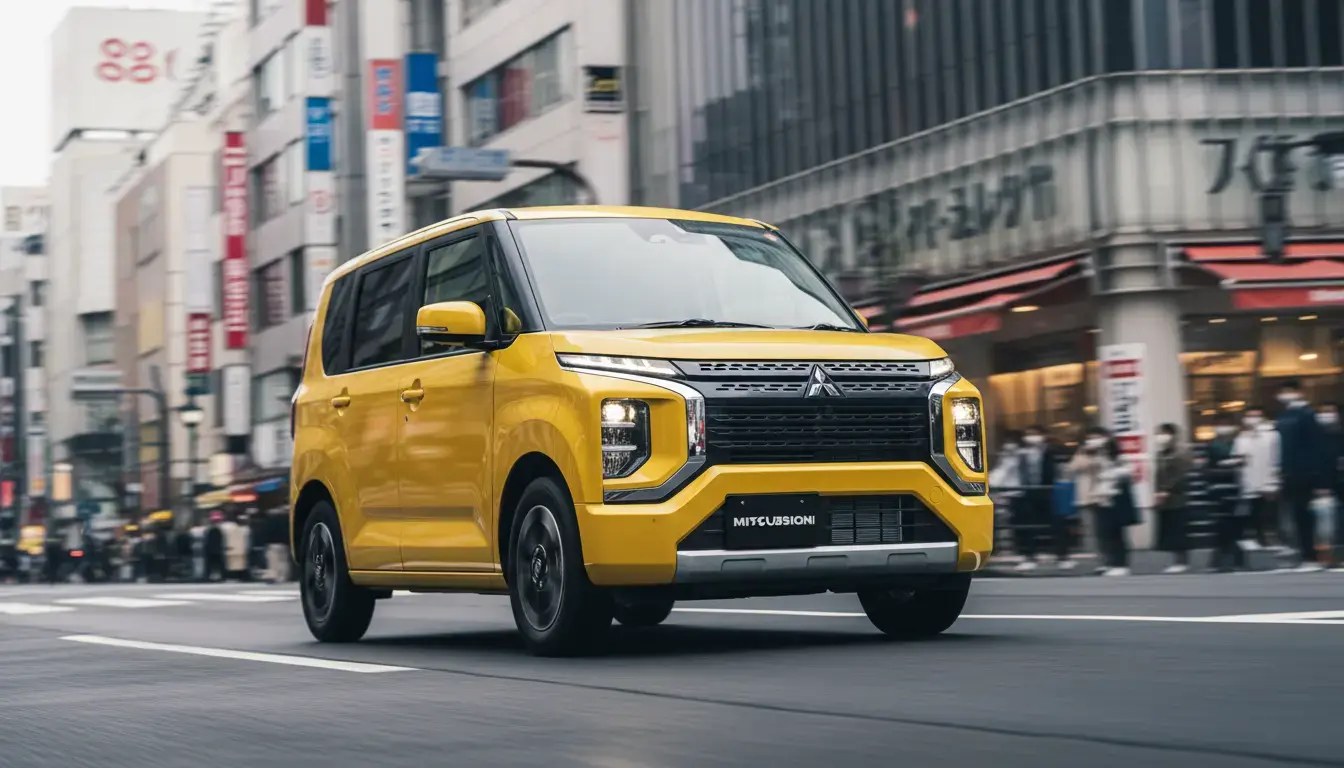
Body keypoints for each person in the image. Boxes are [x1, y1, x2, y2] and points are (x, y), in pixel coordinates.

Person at [1069, 426, 1136, 576]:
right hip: (1099, 497)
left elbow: (1125, 470)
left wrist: (1109, 475)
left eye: (1097, 437)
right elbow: (1074, 467)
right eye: (1091, 438)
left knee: (1116, 532)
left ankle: (1121, 564)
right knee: (1103, 532)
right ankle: (1110, 563)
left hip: (1113, 496)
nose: (1094, 441)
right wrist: (1086, 453)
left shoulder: (1114, 453)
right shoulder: (1087, 452)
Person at [1275, 379, 1326, 571]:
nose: (1283, 395)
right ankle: (1300, 553)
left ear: (1297, 392)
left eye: (1287, 391)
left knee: (1305, 516)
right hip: (1288, 472)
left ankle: (1310, 556)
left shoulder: (1307, 414)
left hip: (1304, 472)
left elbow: (1316, 447)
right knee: (1293, 516)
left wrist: (1319, 478)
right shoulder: (1284, 416)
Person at [1234, 405, 1280, 551]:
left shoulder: (1272, 435)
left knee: (1269, 515)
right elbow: (1239, 459)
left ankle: (1271, 539)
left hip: (1268, 482)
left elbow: (1276, 459)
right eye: (1250, 416)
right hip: (1249, 484)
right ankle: (1258, 541)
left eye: (1256, 415)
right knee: (1253, 516)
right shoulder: (1241, 437)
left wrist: (1272, 482)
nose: (1253, 419)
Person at [1205, 414, 1246, 571]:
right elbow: (1207, 469)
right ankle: (1219, 560)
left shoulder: (1239, 443)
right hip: (1218, 489)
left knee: (1235, 527)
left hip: (1235, 489)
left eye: (1226, 424)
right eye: (1219, 424)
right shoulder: (1212, 445)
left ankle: (1237, 559)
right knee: (1219, 527)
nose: (1222, 427)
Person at [1153, 423, 1192, 573]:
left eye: (1165, 433)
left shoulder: (1181, 452)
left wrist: (1168, 489)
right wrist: (1157, 492)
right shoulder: (1160, 453)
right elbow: (1158, 475)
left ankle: (1182, 561)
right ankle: (1176, 560)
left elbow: (1181, 475)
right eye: (1159, 433)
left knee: (1178, 529)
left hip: (1178, 496)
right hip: (1164, 499)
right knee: (1169, 529)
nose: (1162, 437)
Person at [1316, 402, 1343, 568]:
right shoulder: (1315, 436)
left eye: (1330, 411)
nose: (1326, 415)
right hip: (1325, 484)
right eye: (1323, 411)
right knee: (1327, 523)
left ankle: (1337, 555)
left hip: (1339, 482)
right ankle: (1329, 556)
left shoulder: (1340, 434)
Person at [204, 512, 226, 582]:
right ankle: (221, 576)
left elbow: (207, 541)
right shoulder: (220, 530)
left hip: (211, 550)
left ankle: (209, 576)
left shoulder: (209, 530)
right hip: (217, 550)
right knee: (218, 564)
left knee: (211, 564)